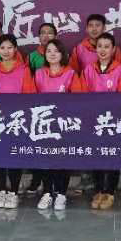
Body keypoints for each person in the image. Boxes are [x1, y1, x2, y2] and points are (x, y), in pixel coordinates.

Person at [0, 34, 36, 210]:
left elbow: (29, 96)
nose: (6, 51)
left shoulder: (23, 70)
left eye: (9, 47)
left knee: (14, 156)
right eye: (2, 48)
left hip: (17, 120)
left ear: (15, 49)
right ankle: (1, 190)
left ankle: (13, 192)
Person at [82, 33, 121, 210]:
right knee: (95, 156)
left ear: (113, 49)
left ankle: (109, 191)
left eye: (106, 46)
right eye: (99, 46)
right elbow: (81, 95)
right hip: (94, 121)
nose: (102, 50)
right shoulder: (88, 69)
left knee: (112, 157)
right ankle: (98, 190)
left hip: (113, 122)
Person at [33, 39, 84, 211]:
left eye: (56, 51)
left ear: (62, 54)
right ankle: (47, 192)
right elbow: (31, 99)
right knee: (46, 159)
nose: (52, 54)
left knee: (63, 159)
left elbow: (78, 99)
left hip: (64, 125)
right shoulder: (39, 74)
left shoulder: (70, 74)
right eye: (49, 51)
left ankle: (61, 193)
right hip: (44, 125)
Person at [24, 22, 58, 196]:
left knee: (54, 150)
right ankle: (36, 180)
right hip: (36, 109)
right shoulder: (32, 57)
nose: (46, 35)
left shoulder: (61, 55)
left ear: (55, 36)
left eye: (50, 33)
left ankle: (53, 185)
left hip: (57, 111)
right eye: (43, 33)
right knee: (37, 148)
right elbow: (27, 80)